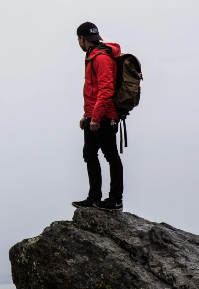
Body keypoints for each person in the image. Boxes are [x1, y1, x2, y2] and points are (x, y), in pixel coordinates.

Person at [72, 22, 123, 211]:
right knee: (89, 155)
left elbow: (106, 90)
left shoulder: (101, 58)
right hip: (94, 115)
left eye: (78, 39)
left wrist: (96, 117)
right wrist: (87, 116)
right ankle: (94, 197)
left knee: (111, 156)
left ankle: (115, 199)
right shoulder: (92, 56)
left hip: (105, 116)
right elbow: (93, 92)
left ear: (82, 38)